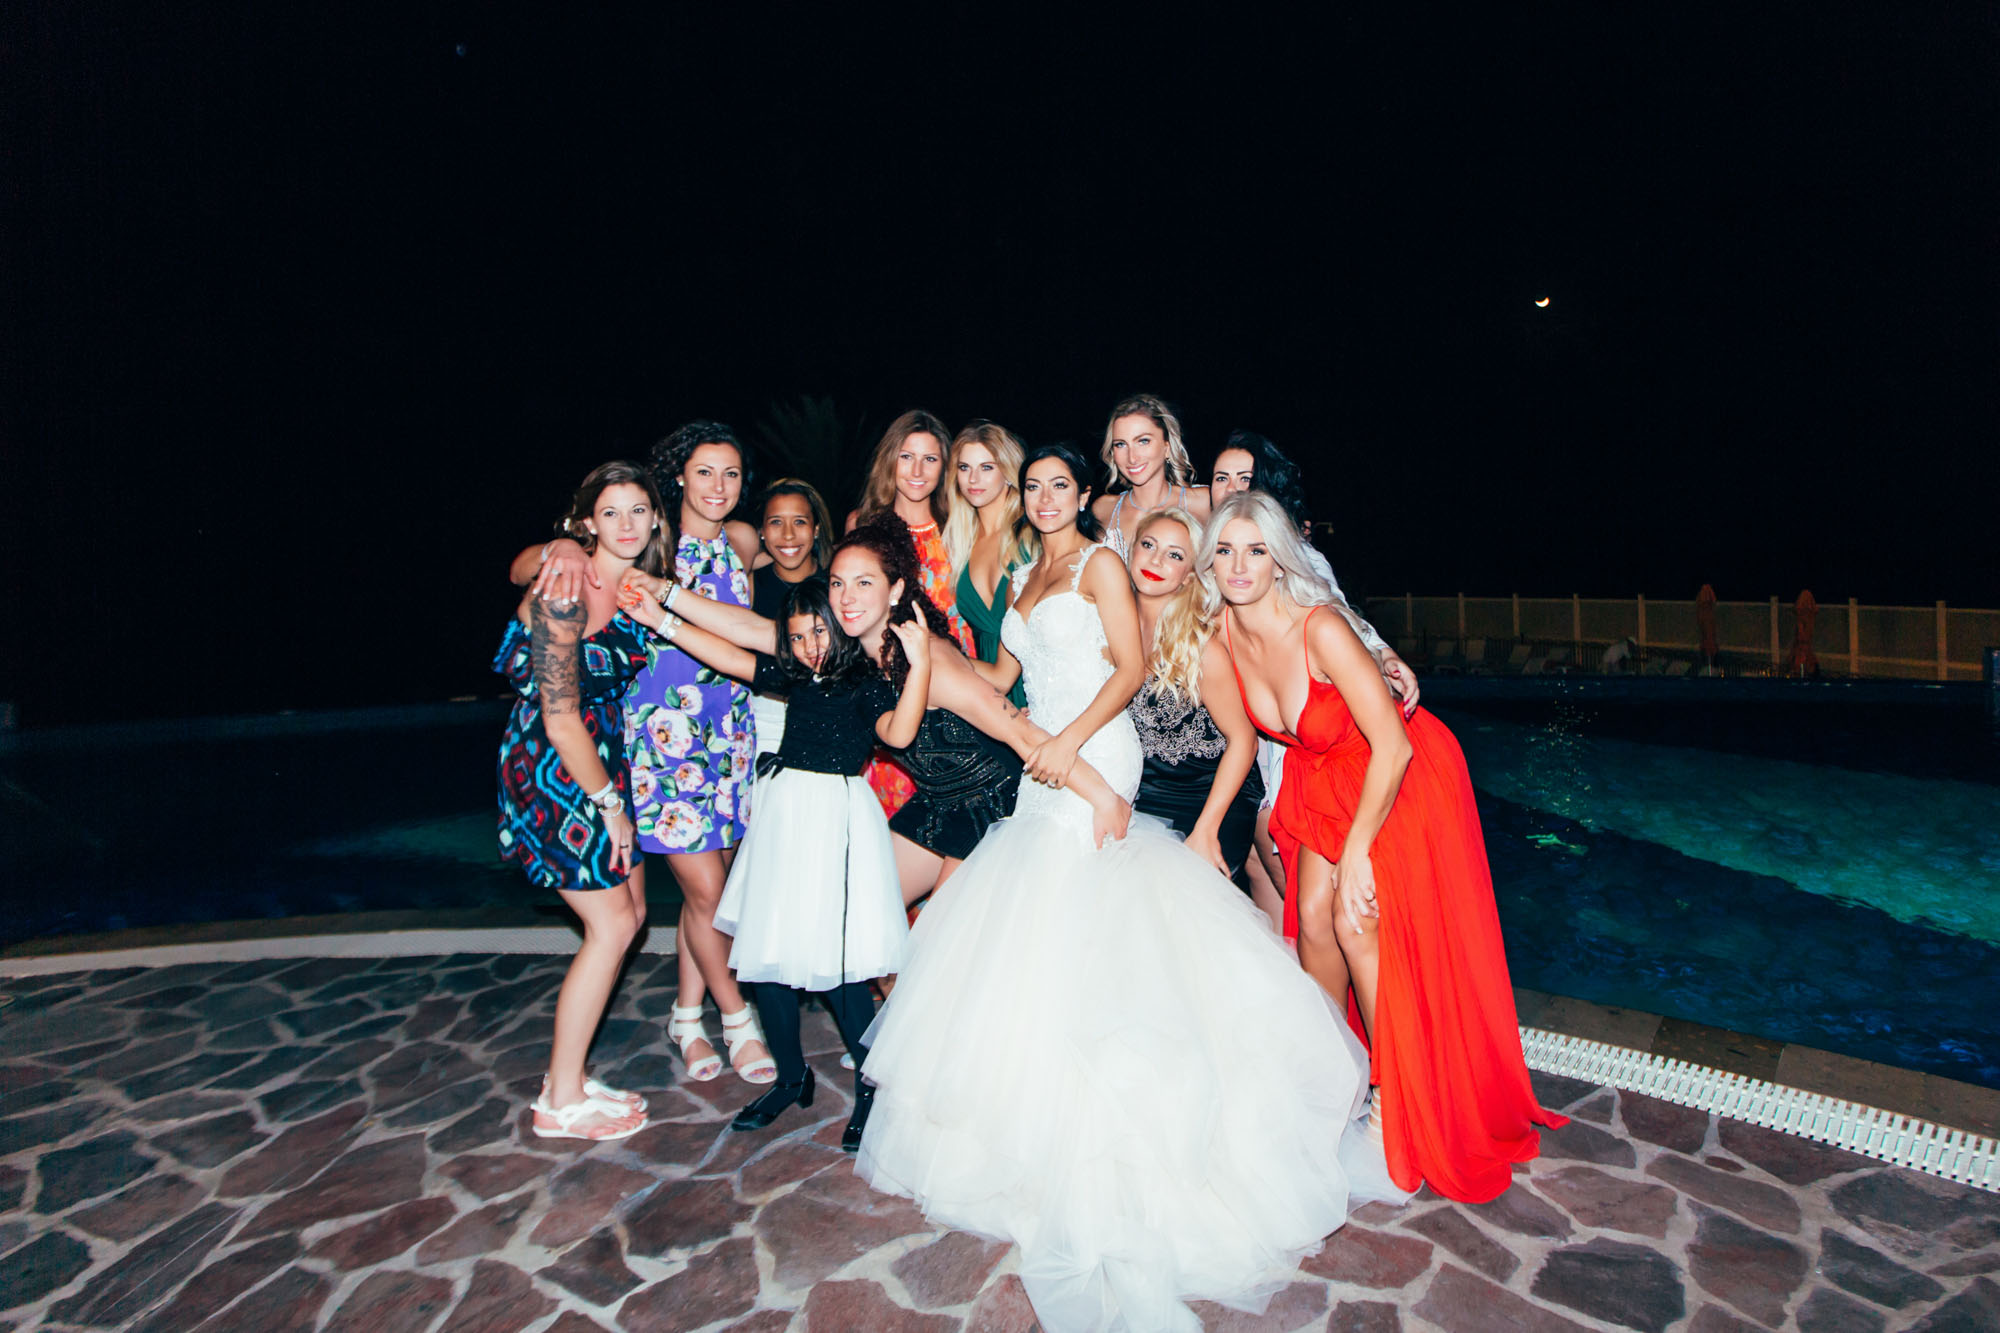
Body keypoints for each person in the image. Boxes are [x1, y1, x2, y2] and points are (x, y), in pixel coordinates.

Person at [858, 445, 1398, 1333]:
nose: (1043, 497)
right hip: (1045, 759)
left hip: (1092, 750)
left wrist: (1068, 744)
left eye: (1059, 485)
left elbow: (1130, 671)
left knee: (1094, 916)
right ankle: (1032, 1125)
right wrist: (927, 652)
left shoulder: (1102, 564)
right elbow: (1004, 679)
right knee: (1038, 932)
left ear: (1084, 494)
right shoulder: (1026, 576)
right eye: (1033, 486)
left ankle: (1115, 1133)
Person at [1205, 490, 1563, 1204]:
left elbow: (1394, 744)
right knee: (1310, 920)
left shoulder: (1320, 628)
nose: (1239, 566)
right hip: (1321, 779)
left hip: (1395, 772)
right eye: (1224, 551)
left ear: (1280, 560)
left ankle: (1392, 1097)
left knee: (1354, 921)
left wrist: (1360, 851)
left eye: (1256, 550)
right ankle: (1330, 1077)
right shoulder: (1219, 634)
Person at [618, 574, 928, 1146]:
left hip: (836, 822)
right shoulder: (795, 674)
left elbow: (900, 734)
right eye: (798, 637)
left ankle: (870, 1087)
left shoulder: (866, 682)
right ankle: (791, 1077)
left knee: (839, 968)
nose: (810, 646)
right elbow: (730, 657)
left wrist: (920, 663)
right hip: (783, 820)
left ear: (838, 626)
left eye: (818, 632)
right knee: (769, 959)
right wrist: (661, 621)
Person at [494, 461, 661, 1141]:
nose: (627, 525)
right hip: (558, 768)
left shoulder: (627, 583)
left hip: (600, 760)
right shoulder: (565, 587)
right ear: (588, 520)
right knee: (612, 926)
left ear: (655, 518)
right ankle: (560, 1099)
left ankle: (571, 1075)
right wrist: (611, 805)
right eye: (610, 512)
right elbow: (561, 718)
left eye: (639, 510)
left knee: (633, 912)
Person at [1207, 428, 1421, 927]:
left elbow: (1337, 613)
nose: (1233, 488)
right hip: (1272, 740)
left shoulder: (1291, 559)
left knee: (1325, 906)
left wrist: (1382, 652)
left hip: (1324, 743)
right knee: (1280, 883)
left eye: (1246, 478)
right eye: (1221, 478)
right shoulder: (1215, 568)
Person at [1123, 507, 1264, 883]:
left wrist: (1206, 828)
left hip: (1211, 796)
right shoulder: (1110, 630)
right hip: (1142, 793)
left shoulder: (1201, 647)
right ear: (1131, 551)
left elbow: (1244, 741)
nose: (1156, 560)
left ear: (1188, 575)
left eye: (1174, 555)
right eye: (1148, 545)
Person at [845, 410, 973, 818]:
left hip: (957, 683)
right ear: (890, 461)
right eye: (906, 457)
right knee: (893, 809)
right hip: (891, 683)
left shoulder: (961, 526)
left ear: (945, 467)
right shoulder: (863, 525)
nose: (917, 471)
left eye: (930, 459)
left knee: (956, 806)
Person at [944, 420, 1033, 708]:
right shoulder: (959, 544)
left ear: (1007, 472)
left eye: (986, 467)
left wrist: (939, 655)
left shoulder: (1032, 537)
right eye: (964, 467)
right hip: (986, 696)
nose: (973, 479)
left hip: (1037, 691)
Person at [746, 478, 835, 756]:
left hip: (830, 719)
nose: (788, 535)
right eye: (776, 522)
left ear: (816, 529)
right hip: (764, 720)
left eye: (799, 522)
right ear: (761, 532)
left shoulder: (837, 584)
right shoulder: (749, 583)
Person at [1091, 393, 1211, 559]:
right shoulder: (1103, 509)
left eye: (1143, 441)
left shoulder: (1203, 501)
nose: (1132, 458)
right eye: (1121, 444)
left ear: (1167, 447)